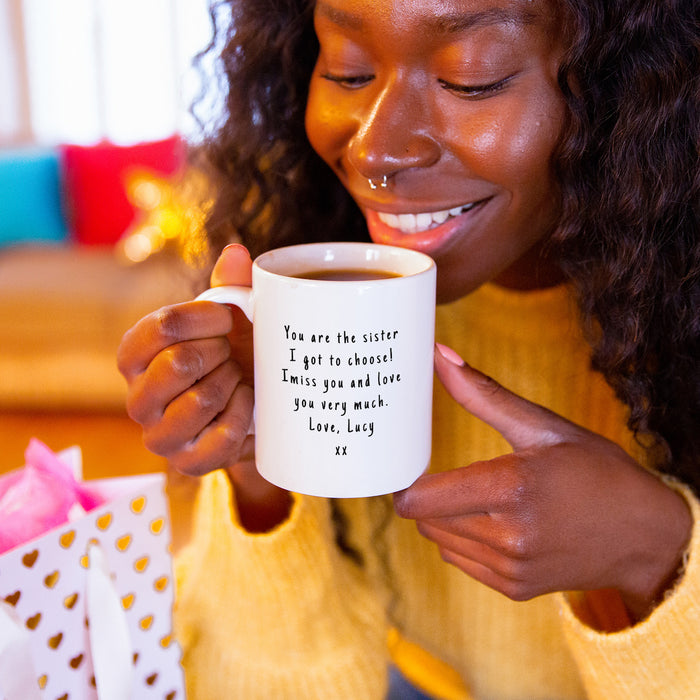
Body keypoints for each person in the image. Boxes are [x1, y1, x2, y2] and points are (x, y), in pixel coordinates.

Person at [117, 0, 700, 697]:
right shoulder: (322, 290)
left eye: (471, 80)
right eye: (349, 71)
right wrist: (258, 476)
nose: (375, 150)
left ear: (630, 87)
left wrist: (653, 552)